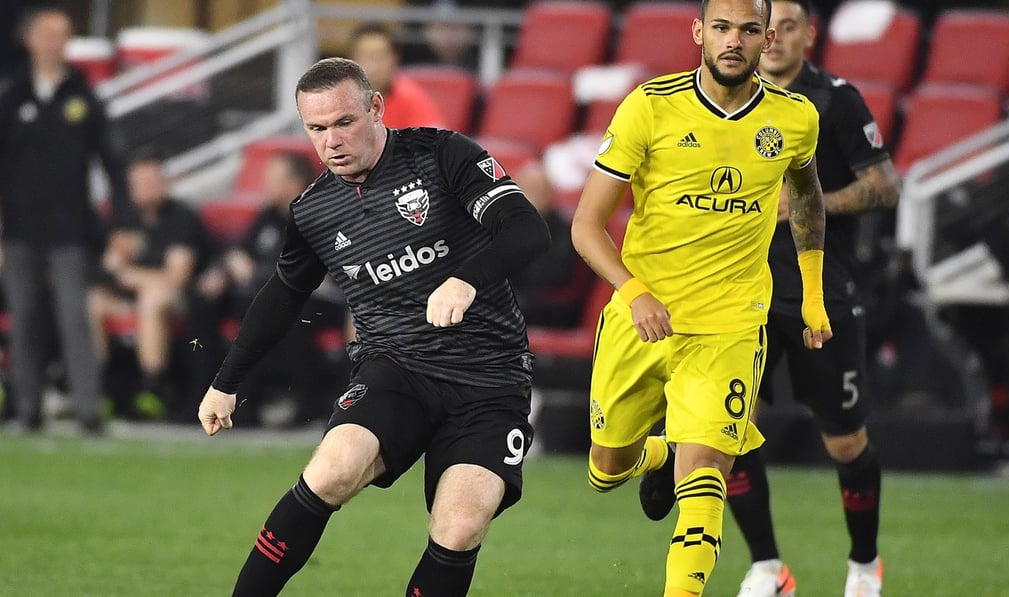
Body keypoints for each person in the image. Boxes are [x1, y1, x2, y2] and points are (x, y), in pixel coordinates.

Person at [196, 57, 550, 596]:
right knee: (333, 469)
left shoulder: (441, 155)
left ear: (376, 108)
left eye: (344, 122)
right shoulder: (314, 210)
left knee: (459, 526)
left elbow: (527, 230)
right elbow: (283, 295)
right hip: (396, 370)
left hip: (490, 379)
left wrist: (466, 281)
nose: (331, 141)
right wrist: (226, 382)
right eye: (316, 129)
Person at [571, 1, 832, 595]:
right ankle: (657, 454)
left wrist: (812, 295)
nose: (733, 41)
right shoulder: (651, 106)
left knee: (708, 473)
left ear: (768, 38)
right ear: (698, 33)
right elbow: (586, 225)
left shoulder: (795, 119)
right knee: (604, 469)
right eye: (721, 28)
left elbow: (809, 200)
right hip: (642, 319)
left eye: (747, 30)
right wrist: (634, 293)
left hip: (731, 325)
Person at [725, 2, 901, 596]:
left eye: (787, 28)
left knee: (845, 440)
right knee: (729, 428)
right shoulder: (724, 99)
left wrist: (808, 204)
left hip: (822, 290)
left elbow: (885, 186)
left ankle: (863, 565)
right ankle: (769, 568)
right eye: (762, 29)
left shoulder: (836, 100)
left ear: (810, 34)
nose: (772, 41)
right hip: (743, 292)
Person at [0, 5, 131, 433]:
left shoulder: (82, 94)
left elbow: (112, 160)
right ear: (30, 40)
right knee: (25, 319)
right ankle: (28, 409)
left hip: (71, 230)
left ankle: (89, 410)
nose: (57, 43)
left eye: (63, 35)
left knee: (75, 316)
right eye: (48, 34)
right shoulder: (13, 96)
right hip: (20, 230)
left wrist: (121, 224)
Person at [196, 151, 347, 426]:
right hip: (269, 296)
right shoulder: (268, 216)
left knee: (284, 314)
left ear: (295, 182)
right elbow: (238, 250)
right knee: (207, 305)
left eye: (274, 179)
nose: (266, 185)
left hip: (323, 302)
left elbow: (311, 272)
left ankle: (306, 404)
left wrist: (257, 271)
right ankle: (215, 398)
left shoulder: (319, 214)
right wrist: (225, 266)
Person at [89, 152, 210, 420]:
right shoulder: (120, 220)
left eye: (152, 181)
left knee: (152, 299)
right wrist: (123, 274)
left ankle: (152, 387)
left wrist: (127, 273)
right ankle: (98, 385)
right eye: (139, 183)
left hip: (178, 302)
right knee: (93, 301)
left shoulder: (182, 218)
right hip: (126, 296)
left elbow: (176, 278)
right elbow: (105, 269)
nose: (145, 188)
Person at [509, 159, 588, 328]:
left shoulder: (564, 231)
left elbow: (551, 277)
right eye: (525, 188)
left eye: (537, 191)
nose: (529, 196)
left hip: (549, 305)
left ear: (550, 194)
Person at [349, 23, 448, 129]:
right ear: (352, 60)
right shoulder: (340, 99)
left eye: (380, 56)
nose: (374, 66)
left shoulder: (410, 96)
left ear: (394, 59)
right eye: (367, 57)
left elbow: (436, 138)